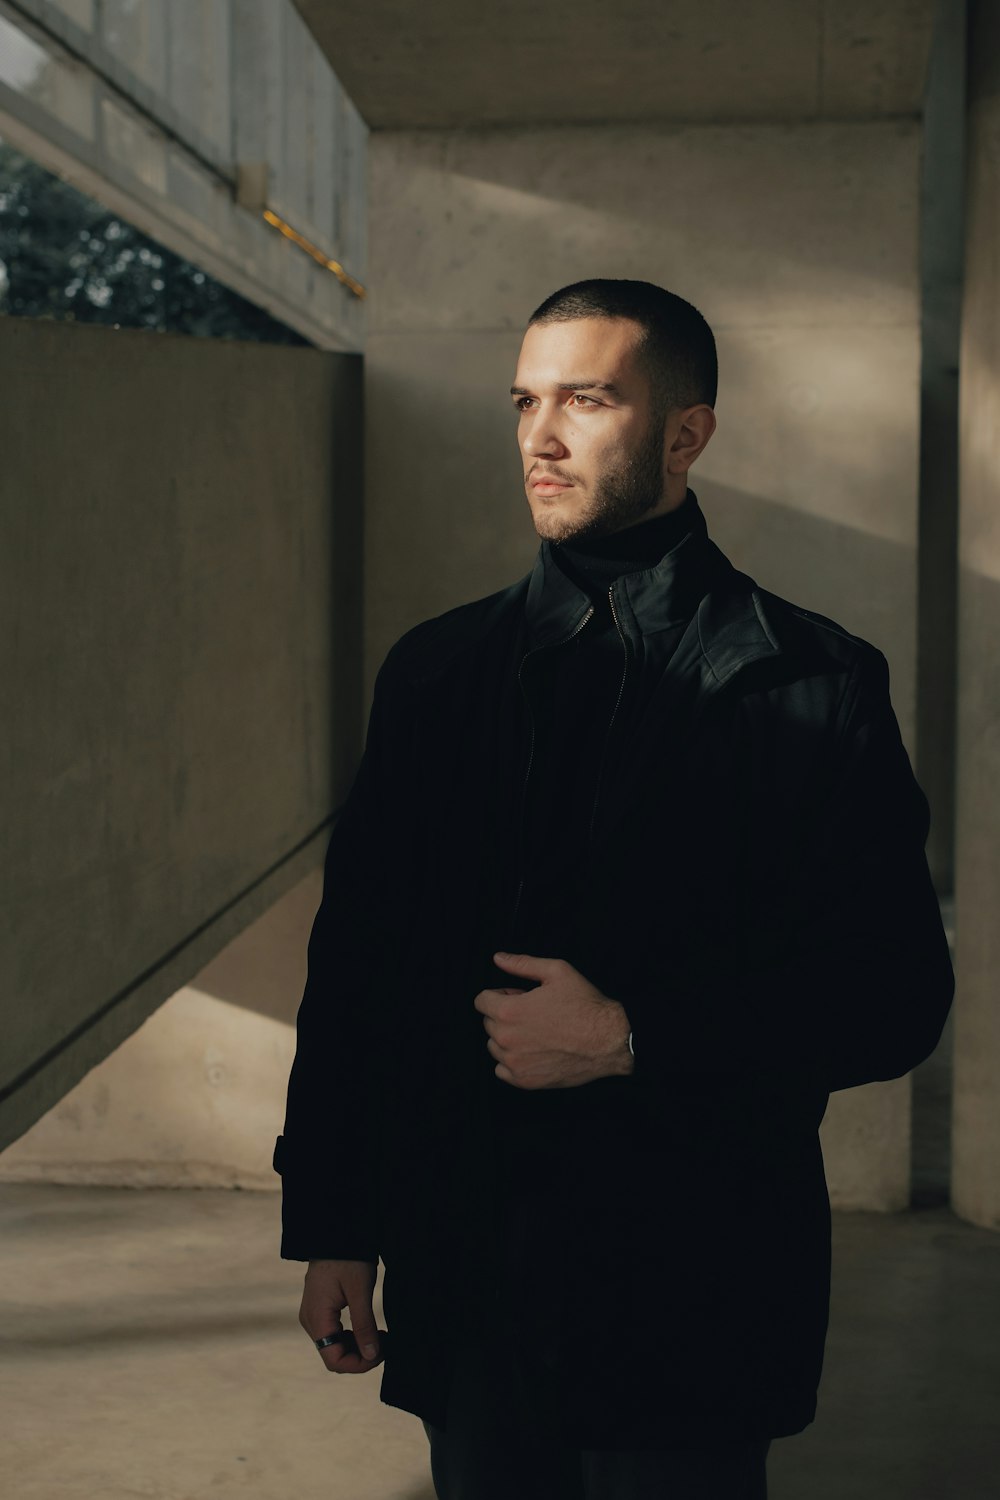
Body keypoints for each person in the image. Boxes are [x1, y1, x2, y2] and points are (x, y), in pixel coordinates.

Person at [273, 279, 955, 1499]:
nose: (540, 437)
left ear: (684, 434)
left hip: (693, 1293)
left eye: (585, 400)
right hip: (472, 1279)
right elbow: (359, 968)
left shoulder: (818, 681)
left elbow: (894, 995)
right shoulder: (434, 673)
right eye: (526, 401)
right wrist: (333, 1225)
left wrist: (631, 1038)